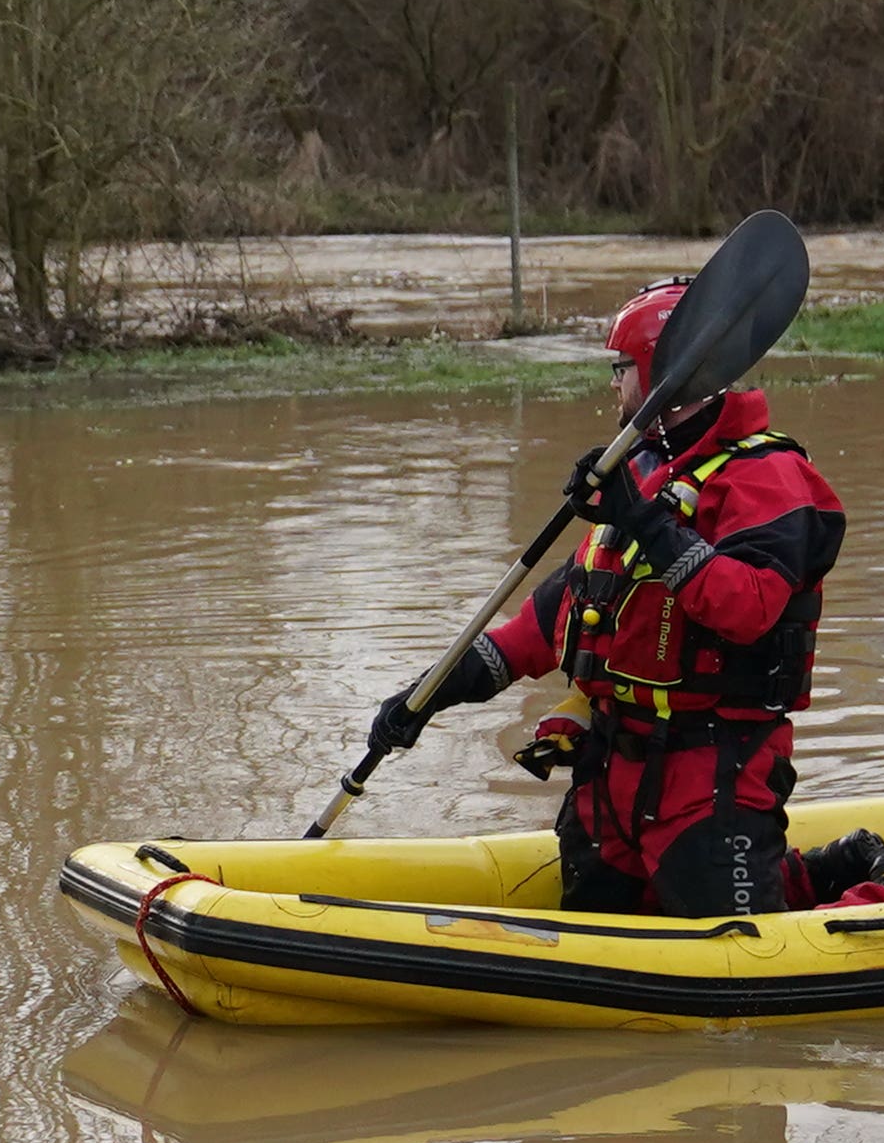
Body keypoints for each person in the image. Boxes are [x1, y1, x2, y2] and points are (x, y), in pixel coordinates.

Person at [363, 280, 847, 916]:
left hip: (711, 775)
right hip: (611, 780)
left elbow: (747, 608)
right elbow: (543, 626)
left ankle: (856, 881)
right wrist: (427, 696)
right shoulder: (641, 476)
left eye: (621, 369)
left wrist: (644, 519)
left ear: (657, 369)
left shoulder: (768, 477)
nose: (613, 387)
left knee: (726, 960)